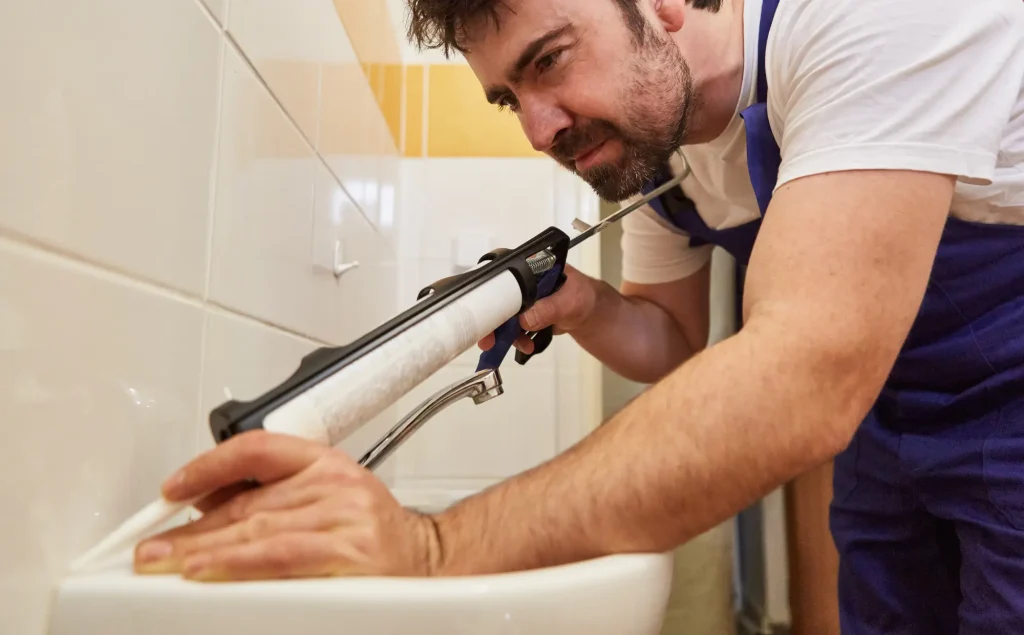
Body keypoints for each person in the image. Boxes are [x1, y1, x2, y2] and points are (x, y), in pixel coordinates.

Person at [133, 0, 1024, 631]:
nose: (536, 128)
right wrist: (587, 305)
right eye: (509, 96)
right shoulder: (659, 157)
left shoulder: (868, 18)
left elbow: (804, 370)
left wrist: (436, 547)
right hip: (889, 434)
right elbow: (673, 343)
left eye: (548, 61)